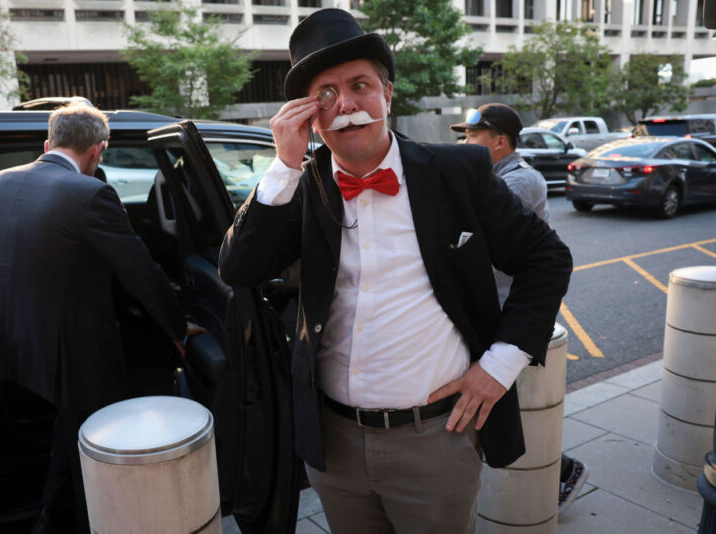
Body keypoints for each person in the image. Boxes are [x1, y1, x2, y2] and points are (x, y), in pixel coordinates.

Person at [219, 8, 572, 534]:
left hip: (436, 439)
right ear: (310, 114)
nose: (346, 105)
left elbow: (547, 259)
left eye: (359, 85)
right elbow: (238, 266)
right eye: (326, 94)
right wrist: (284, 165)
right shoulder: (300, 184)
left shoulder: (458, 172)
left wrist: (499, 366)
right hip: (331, 442)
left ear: (387, 95)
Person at [0, 103, 201, 533]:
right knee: (92, 441)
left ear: (48, 143)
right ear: (98, 152)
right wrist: (177, 328)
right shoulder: (90, 194)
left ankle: (50, 512)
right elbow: (141, 272)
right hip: (69, 354)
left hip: (3, 339)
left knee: (64, 429)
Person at [454, 102, 589, 516]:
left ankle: (564, 471)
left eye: (472, 136)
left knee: (505, 405)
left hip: (508, 316)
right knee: (494, 405)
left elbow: (470, 224)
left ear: (499, 141)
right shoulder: (490, 175)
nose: (463, 143)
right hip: (487, 308)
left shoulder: (521, 180)